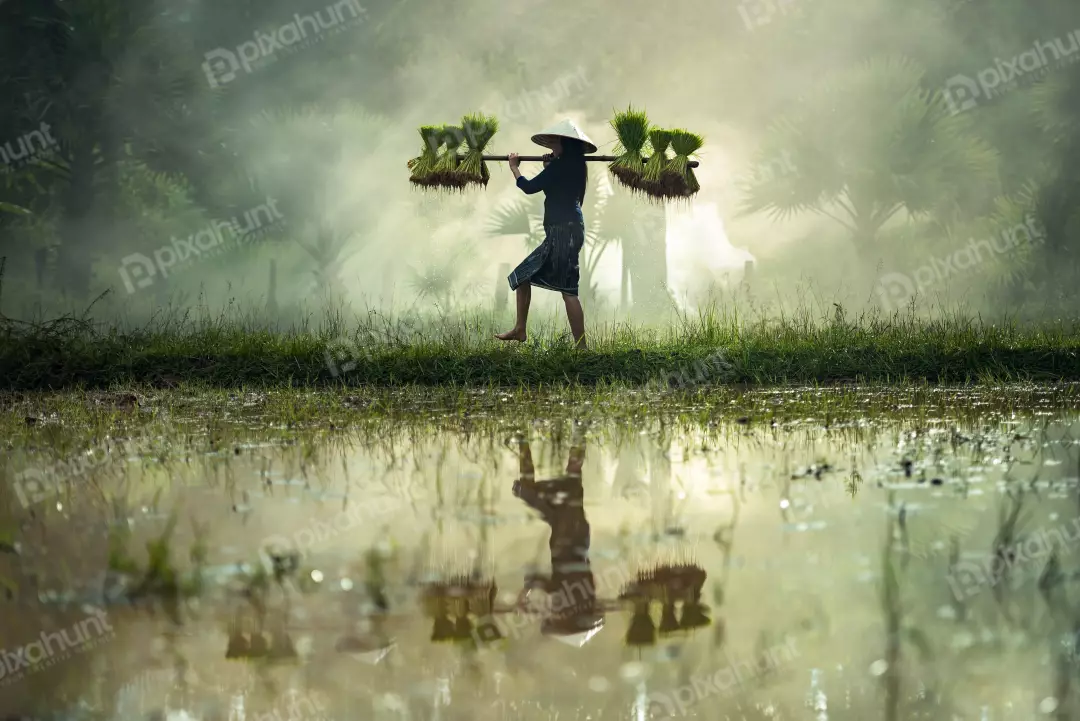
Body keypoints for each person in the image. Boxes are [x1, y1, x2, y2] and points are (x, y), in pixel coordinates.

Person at [496, 119, 597, 350]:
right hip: (567, 230)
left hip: (562, 232)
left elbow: (529, 187)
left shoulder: (562, 166)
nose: (550, 145)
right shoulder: (573, 166)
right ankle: (523, 329)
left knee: (565, 290)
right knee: (542, 282)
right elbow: (555, 187)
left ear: (565, 143)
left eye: (554, 141)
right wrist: (548, 168)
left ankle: (579, 348)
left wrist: (514, 167)